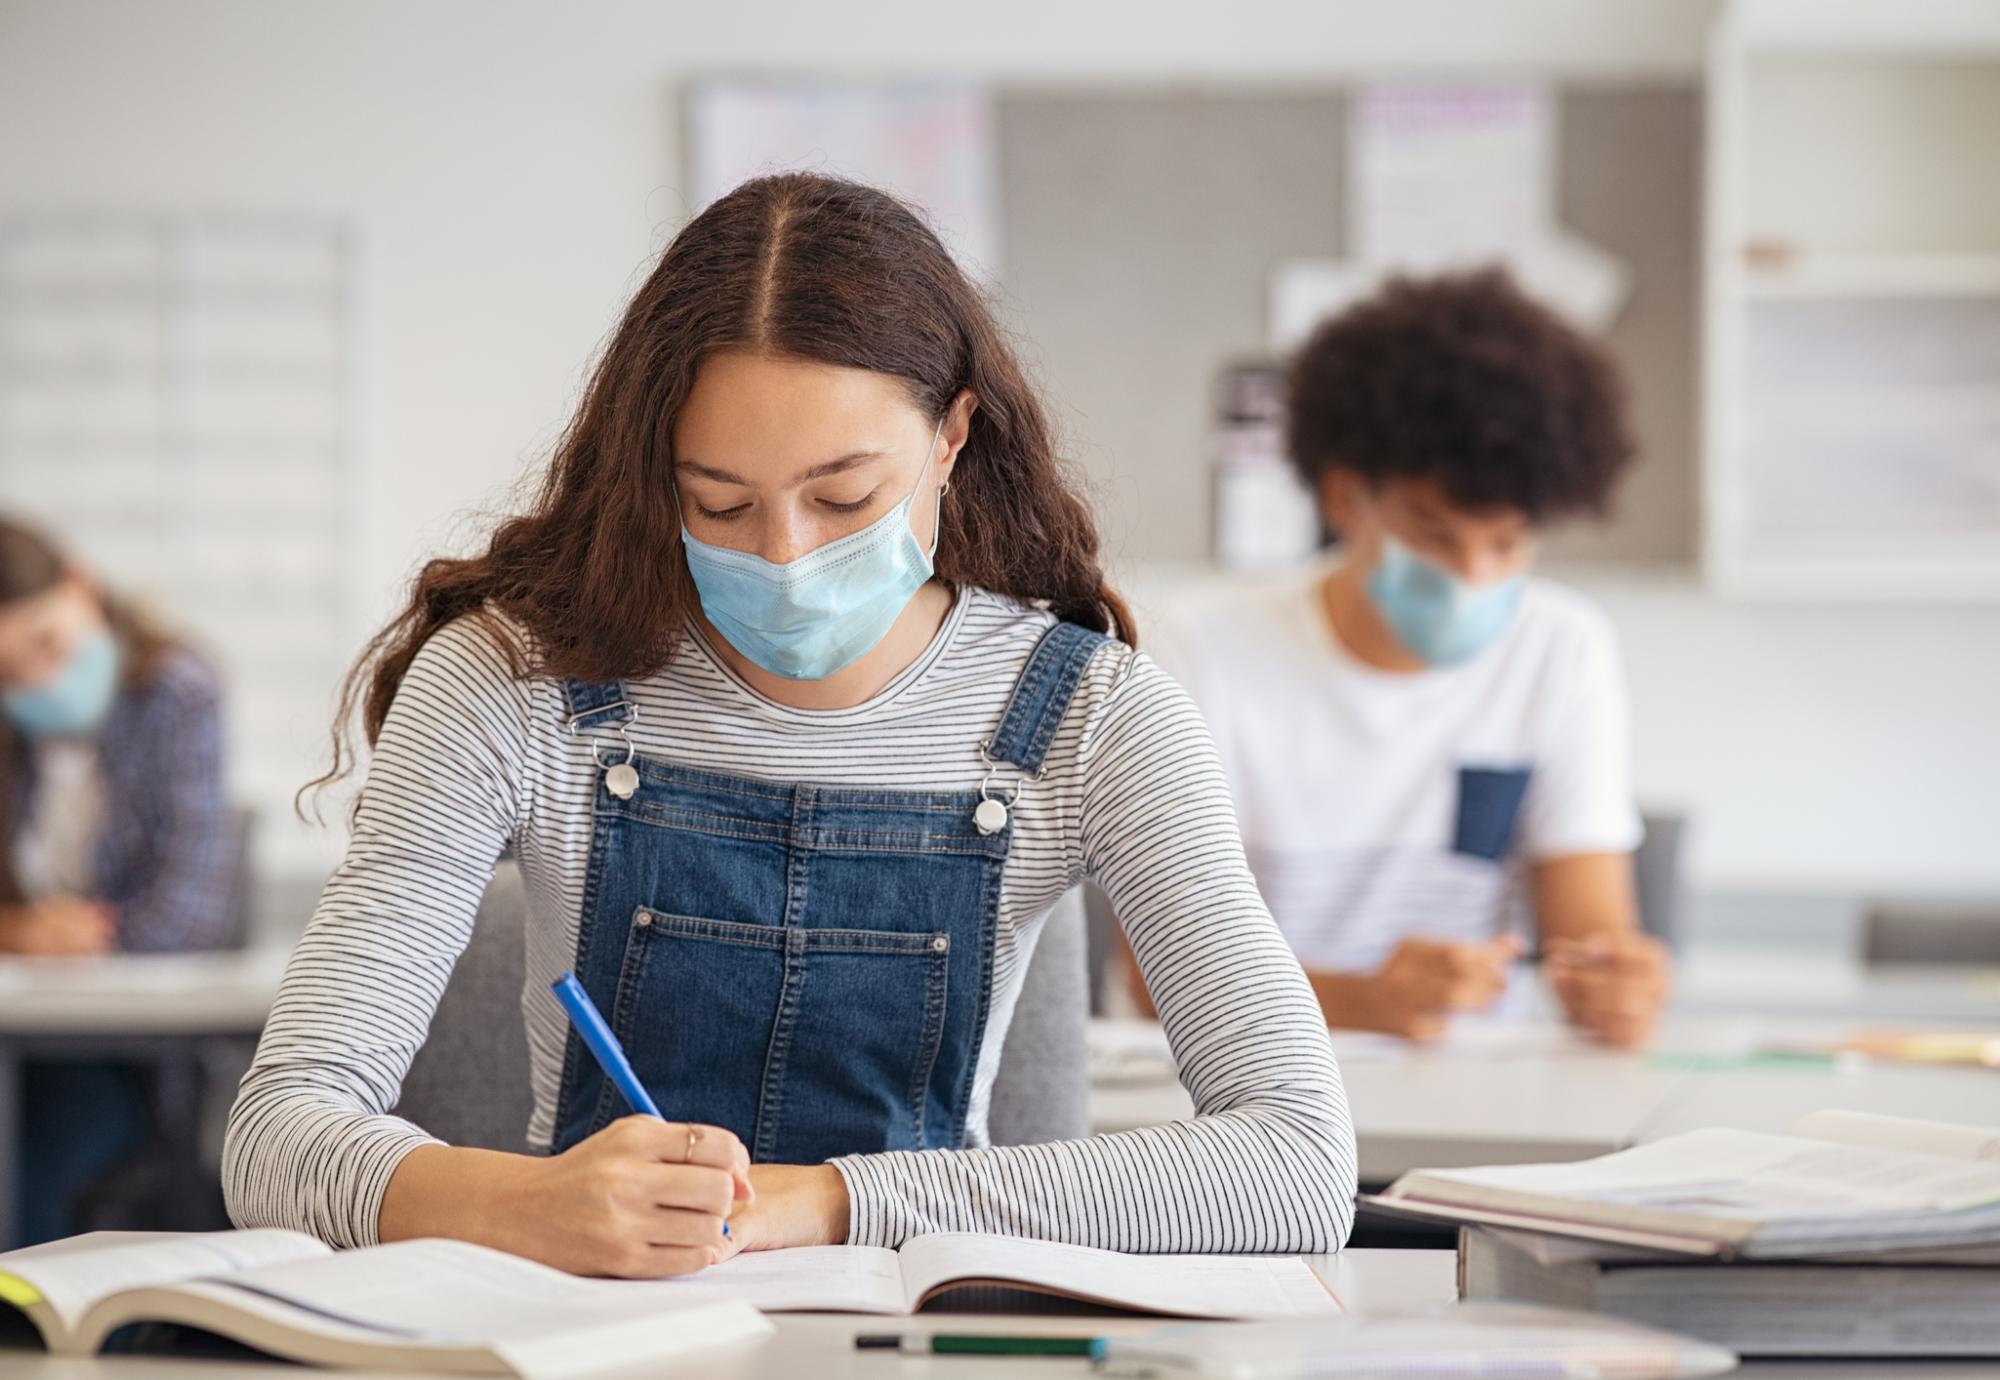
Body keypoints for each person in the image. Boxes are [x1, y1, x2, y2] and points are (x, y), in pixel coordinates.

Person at [222, 174, 1356, 1278]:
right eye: (717, 502)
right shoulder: (509, 681)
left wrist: (829, 1199)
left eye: (844, 498)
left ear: (953, 437)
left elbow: (1296, 1165)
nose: (783, 555)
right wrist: (520, 1204)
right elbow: (276, 1136)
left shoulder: (1094, 717)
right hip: (587, 1335)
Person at [1151, 271, 1669, 1049]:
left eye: (1506, 543)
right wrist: (1364, 1000)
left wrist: (1616, 988)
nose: (1473, 578)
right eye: (1433, 534)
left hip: (1474, 1104)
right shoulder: (1197, 650)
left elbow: (1590, 942)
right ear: (1343, 497)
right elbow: (1154, 977)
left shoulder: (1560, 651)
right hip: (1244, 1102)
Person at [0, 516, 237, 1243]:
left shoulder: (178, 694)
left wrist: (69, 935)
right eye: (7, 675)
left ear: (81, 586)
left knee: (43, 1158)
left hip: (119, 1053)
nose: (36, 682)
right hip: (20, 1033)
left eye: (45, 645)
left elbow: (185, 917)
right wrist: (21, 932)